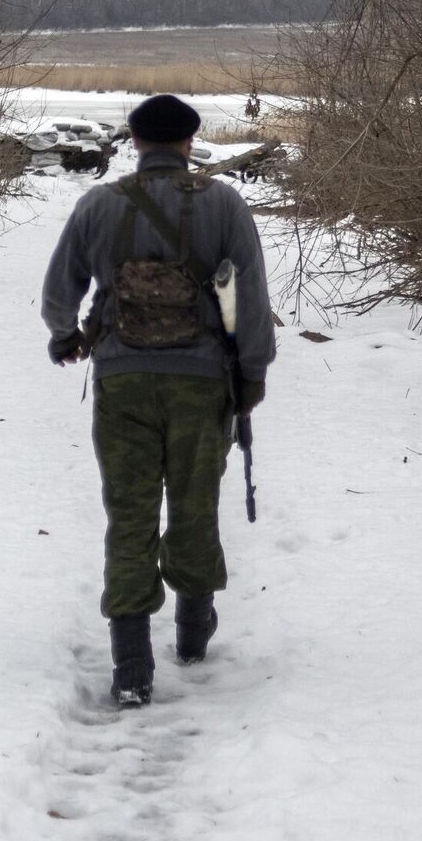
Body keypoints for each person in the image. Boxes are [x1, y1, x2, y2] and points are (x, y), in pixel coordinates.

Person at [41, 94, 276, 707]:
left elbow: (58, 291)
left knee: (130, 512)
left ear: (135, 141)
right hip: (203, 382)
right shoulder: (223, 203)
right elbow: (249, 298)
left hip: (121, 379)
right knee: (195, 504)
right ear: (191, 142)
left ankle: (132, 667)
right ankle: (194, 637)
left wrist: (65, 336)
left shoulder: (98, 204)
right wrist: (251, 374)